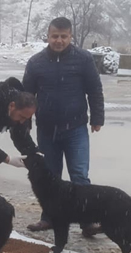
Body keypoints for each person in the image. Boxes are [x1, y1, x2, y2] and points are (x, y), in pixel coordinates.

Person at [22, 17, 104, 236]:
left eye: (63, 36)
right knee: (50, 176)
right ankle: (48, 218)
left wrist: (97, 117)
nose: (59, 40)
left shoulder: (84, 60)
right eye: (54, 36)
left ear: (71, 36)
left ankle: (87, 222)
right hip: (47, 129)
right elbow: (26, 96)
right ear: (48, 36)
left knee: (79, 175)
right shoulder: (36, 62)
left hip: (75, 128)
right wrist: (25, 121)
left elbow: (94, 89)